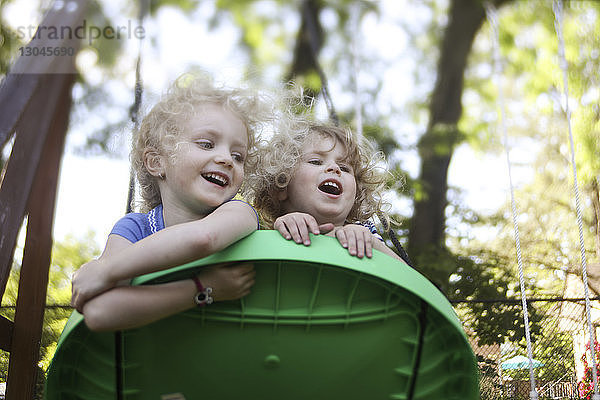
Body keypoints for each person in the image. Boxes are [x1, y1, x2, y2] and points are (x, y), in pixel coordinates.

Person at [71, 74, 274, 331]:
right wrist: (202, 288)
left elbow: (204, 238)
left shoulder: (240, 213)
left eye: (238, 155)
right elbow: (100, 313)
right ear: (157, 162)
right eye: (206, 144)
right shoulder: (135, 228)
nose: (226, 159)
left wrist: (106, 270)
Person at [245, 118, 404, 261]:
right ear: (281, 184)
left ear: (356, 196)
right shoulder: (266, 233)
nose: (335, 168)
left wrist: (372, 244)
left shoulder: (365, 234)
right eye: (316, 162)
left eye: (345, 168)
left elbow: (410, 281)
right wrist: (282, 231)